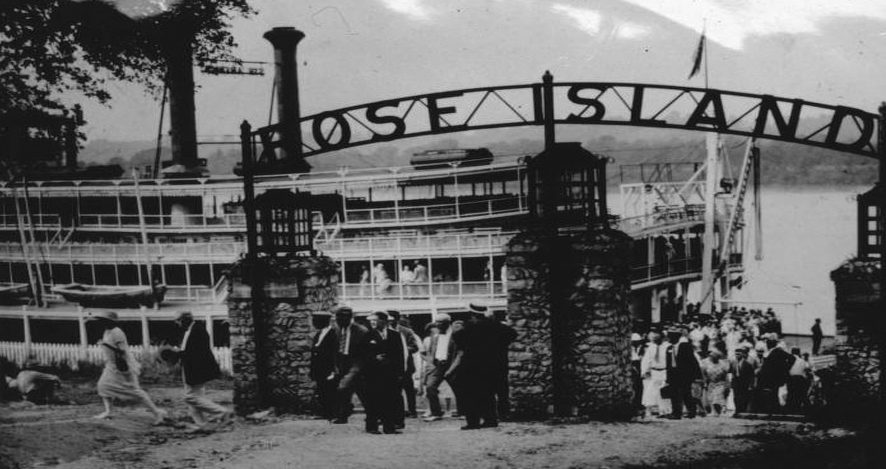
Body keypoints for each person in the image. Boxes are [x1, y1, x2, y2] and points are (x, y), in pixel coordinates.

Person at [89, 311, 167, 424]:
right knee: (103, 386)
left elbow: (122, 350)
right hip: (111, 364)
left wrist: (106, 345)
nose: (101, 322)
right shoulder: (107, 331)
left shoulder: (117, 332)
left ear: (110, 321)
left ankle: (157, 413)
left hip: (123, 365)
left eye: (103, 320)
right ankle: (108, 411)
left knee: (135, 392)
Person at [169, 311, 231, 427]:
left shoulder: (198, 330)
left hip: (196, 368)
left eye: (177, 321)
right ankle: (202, 424)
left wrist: (178, 354)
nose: (177, 324)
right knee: (196, 396)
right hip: (190, 367)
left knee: (190, 397)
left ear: (184, 320)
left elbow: (196, 353)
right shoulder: (190, 331)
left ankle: (221, 412)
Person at [450, 304, 500, 429]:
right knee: (488, 393)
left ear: (471, 313)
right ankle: (491, 419)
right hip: (490, 364)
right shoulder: (493, 326)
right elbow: (510, 334)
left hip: (471, 365)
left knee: (470, 394)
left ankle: (473, 421)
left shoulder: (468, 327)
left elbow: (457, 339)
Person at [363, 311, 406, 434]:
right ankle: (372, 426)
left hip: (390, 373)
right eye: (372, 320)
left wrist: (400, 373)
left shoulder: (395, 335)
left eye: (376, 320)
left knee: (390, 399)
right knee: (373, 400)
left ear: (385, 321)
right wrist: (374, 358)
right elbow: (362, 354)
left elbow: (400, 355)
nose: (373, 323)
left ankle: (389, 426)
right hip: (374, 374)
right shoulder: (368, 335)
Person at [326, 306, 370, 424]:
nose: (340, 320)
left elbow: (365, 353)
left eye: (344, 317)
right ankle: (342, 415)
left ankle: (373, 415)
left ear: (350, 318)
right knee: (349, 391)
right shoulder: (335, 330)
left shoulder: (361, 331)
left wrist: (358, 368)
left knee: (347, 387)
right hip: (341, 362)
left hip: (356, 363)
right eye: (338, 317)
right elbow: (332, 348)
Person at [422, 313, 457, 422]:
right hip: (437, 365)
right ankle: (436, 412)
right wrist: (432, 362)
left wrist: (453, 367)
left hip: (450, 364)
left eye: (440, 323)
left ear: (447, 323)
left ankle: (464, 411)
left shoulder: (454, 334)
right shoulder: (435, 335)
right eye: (436, 322)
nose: (437, 325)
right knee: (430, 387)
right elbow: (431, 350)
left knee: (459, 389)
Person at [388, 310, 420, 424]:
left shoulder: (406, 331)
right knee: (393, 390)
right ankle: (396, 412)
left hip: (406, 365)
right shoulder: (384, 331)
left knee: (409, 389)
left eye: (392, 320)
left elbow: (414, 347)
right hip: (391, 366)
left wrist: (402, 349)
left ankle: (412, 410)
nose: (390, 322)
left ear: (397, 319)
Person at [484, 307, 516, 420]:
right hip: (500, 361)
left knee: (488, 390)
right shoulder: (502, 327)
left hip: (487, 362)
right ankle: (504, 413)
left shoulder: (483, 329)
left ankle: (491, 414)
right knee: (502, 390)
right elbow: (513, 334)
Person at [665, 327, 701, 419]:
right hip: (673, 374)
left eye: (670, 336)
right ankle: (676, 413)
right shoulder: (669, 348)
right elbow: (668, 364)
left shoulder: (685, 346)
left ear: (675, 337)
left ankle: (691, 411)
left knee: (686, 393)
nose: (668, 338)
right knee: (674, 394)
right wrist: (668, 377)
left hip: (684, 374)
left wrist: (696, 375)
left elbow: (692, 361)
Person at [755, 333, 795, 414]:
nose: (767, 343)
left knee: (774, 393)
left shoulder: (778, 351)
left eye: (769, 342)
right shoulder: (769, 351)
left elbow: (792, 358)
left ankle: (776, 410)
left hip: (774, 377)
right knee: (771, 394)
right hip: (768, 377)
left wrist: (784, 369)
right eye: (767, 342)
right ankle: (772, 410)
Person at [310, 313, 339, 420]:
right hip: (320, 369)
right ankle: (325, 412)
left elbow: (333, 353)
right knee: (322, 391)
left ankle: (332, 413)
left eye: (315, 321)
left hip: (328, 368)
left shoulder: (333, 334)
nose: (313, 323)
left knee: (330, 391)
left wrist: (333, 370)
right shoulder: (319, 334)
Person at [640, 331, 670, 418]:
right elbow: (646, 360)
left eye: (658, 338)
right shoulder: (651, 348)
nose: (656, 340)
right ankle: (648, 410)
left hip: (664, 371)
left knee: (663, 391)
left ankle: (664, 410)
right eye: (654, 338)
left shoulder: (667, 347)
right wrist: (644, 371)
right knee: (649, 391)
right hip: (653, 372)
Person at [701, 350, 729, 416]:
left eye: (713, 356)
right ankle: (713, 412)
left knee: (718, 397)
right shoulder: (706, 364)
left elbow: (726, 375)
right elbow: (704, 374)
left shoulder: (723, 364)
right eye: (710, 356)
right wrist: (705, 382)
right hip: (711, 383)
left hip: (720, 383)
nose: (711, 358)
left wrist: (727, 384)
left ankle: (723, 410)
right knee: (711, 398)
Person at [730, 346, 756, 414]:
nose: (737, 356)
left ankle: (742, 410)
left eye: (738, 354)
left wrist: (750, 385)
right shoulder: (733, 363)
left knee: (743, 397)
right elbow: (732, 373)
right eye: (736, 354)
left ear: (742, 355)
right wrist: (732, 383)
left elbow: (751, 376)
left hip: (744, 383)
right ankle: (737, 410)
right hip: (736, 383)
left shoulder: (747, 364)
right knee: (736, 397)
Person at [786, 347, 811, 413]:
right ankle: (801, 408)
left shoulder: (789, 359)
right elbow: (807, 368)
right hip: (800, 378)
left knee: (791, 393)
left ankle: (789, 408)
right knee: (800, 394)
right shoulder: (802, 361)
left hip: (791, 378)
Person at [630, 333, 646, 412]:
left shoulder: (642, 348)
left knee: (640, 388)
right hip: (634, 369)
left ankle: (639, 403)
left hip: (640, 369)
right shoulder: (630, 349)